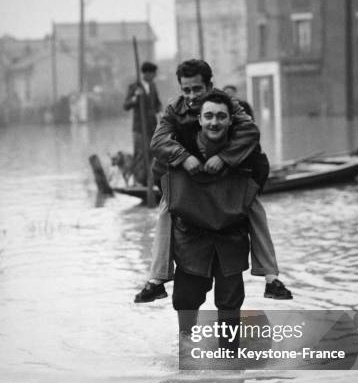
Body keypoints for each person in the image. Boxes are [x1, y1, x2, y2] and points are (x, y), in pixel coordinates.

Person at [134, 59, 292, 303]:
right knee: (166, 209)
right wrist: (183, 157)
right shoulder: (175, 109)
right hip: (189, 181)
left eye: (198, 89)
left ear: (210, 86)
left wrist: (225, 158)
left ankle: (271, 277)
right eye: (186, 90)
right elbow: (158, 142)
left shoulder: (227, 105)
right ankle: (157, 279)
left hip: (233, 181)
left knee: (254, 210)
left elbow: (250, 132)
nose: (192, 96)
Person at [170, 91, 263, 348]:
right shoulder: (182, 144)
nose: (214, 123)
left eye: (221, 117)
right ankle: (186, 354)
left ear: (231, 120)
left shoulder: (245, 148)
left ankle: (230, 363)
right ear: (199, 119)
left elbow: (260, 176)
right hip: (191, 238)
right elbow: (162, 177)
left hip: (230, 238)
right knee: (187, 300)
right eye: (208, 116)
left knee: (230, 302)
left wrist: (227, 167)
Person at [123, 61, 162, 186]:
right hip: (139, 127)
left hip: (152, 126)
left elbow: (157, 103)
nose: (155, 76)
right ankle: (140, 181)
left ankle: (151, 180)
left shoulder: (153, 86)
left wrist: (160, 112)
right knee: (140, 153)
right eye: (153, 74)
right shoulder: (134, 87)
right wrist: (135, 97)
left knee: (152, 152)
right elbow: (126, 105)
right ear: (147, 73)